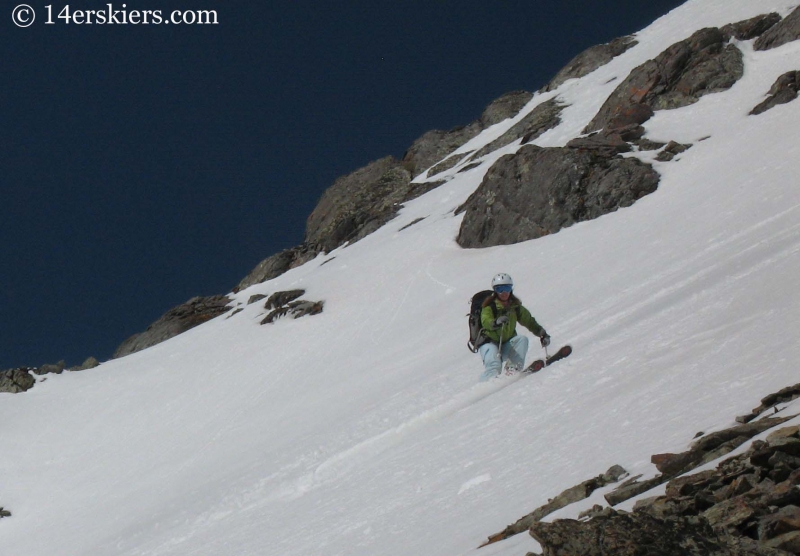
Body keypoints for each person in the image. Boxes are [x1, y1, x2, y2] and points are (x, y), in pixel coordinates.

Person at [478, 273, 550, 382]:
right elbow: (485, 321)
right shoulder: (489, 307)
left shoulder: (515, 307)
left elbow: (529, 321)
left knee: (522, 340)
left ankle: (512, 369)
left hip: (506, 343)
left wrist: (542, 333)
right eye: (500, 289)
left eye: (507, 288)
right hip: (489, 343)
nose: (504, 293)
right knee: (494, 367)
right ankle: (484, 387)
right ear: (495, 291)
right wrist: (495, 322)